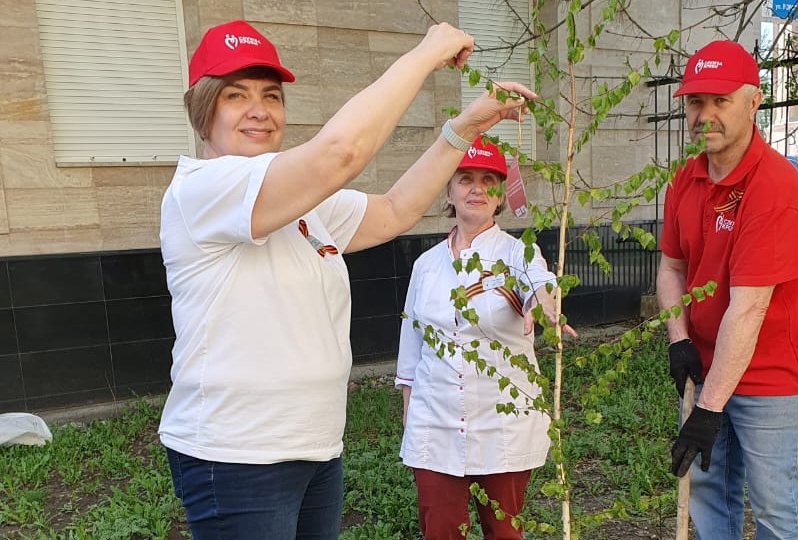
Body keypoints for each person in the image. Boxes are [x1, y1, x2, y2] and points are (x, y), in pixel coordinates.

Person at [158, 19, 536, 540]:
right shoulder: (203, 189)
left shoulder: (300, 202)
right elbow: (341, 153)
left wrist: (464, 130)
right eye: (234, 96)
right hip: (238, 455)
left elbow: (396, 210)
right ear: (203, 110)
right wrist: (425, 54)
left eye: (271, 95)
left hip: (314, 448)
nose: (259, 110)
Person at [656, 40, 798, 539]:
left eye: (720, 101)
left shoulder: (773, 189)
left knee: (774, 498)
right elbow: (671, 268)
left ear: (754, 102)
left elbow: (749, 309)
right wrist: (679, 339)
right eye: (695, 102)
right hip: (709, 360)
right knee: (709, 490)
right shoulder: (684, 179)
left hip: (771, 370)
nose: (704, 115)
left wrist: (707, 411)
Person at [395, 137, 577, 539]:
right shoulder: (426, 265)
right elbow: (411, 344)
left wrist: (547, 304)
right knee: (440, 531)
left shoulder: (518, 253)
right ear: (449, 190)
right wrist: (411, 416)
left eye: (488, 181)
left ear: (500, 197)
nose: (477, 189)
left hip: (503, 424)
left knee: (505, 532)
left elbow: (540, 281)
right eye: (465, 179)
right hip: (435, 423)